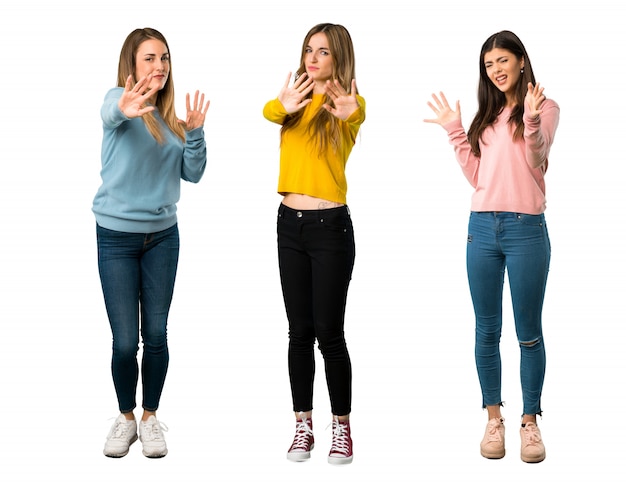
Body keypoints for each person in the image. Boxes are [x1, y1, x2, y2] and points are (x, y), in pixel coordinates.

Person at [424, 30, 559, 463]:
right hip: (481, 228)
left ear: (522, 61)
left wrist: (533, 119)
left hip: (526, 230)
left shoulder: (545, 107)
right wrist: (455, 133)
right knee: (486, 330)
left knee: (528, 334)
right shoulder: (488, 114)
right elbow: (478, 178)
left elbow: (538, 158)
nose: (496, 70)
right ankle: (493, 418)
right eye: (488, 65)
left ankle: (530, 422)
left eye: (503, 60)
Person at [93, 27, 210, 458]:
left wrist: (194, 133)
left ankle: (150, 418)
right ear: (131, 65)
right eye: (149, 59)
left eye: (164, 58)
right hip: (116, 238)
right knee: (125, 341)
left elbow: (193, 175)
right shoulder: (117, 101)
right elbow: (110, 111)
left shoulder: (174, 121)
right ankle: (125, 419)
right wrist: (126, 106)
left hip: (163, 238)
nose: (159, 66)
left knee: (156, 335)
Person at [263, 23, 365, 465]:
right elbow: (269, 111)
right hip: (290, 226)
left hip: (330, 230)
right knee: (298, 333)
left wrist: (348, 111)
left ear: (338, 58)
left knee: (330, 334)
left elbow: (356, 114)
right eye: (308, 49)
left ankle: (341, 427)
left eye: (323, 51)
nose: (313, 57)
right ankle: (302, 424)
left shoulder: (347, 104)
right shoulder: (292, 102)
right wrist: (283, 104)